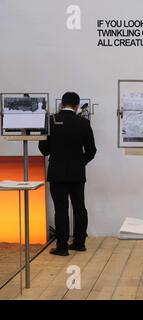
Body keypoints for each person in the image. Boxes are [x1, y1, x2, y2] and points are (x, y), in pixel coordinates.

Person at [39, 92, 97, 256]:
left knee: (61, 209)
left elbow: (43, 149)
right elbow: (91, 151)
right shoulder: (83, 123)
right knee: (79, 207)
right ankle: (79, 243)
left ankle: (62, 247)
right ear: (77, 106)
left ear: (61, 104)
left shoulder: (51, 121)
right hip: (77, 173)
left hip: (57, 173)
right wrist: (80, 162)